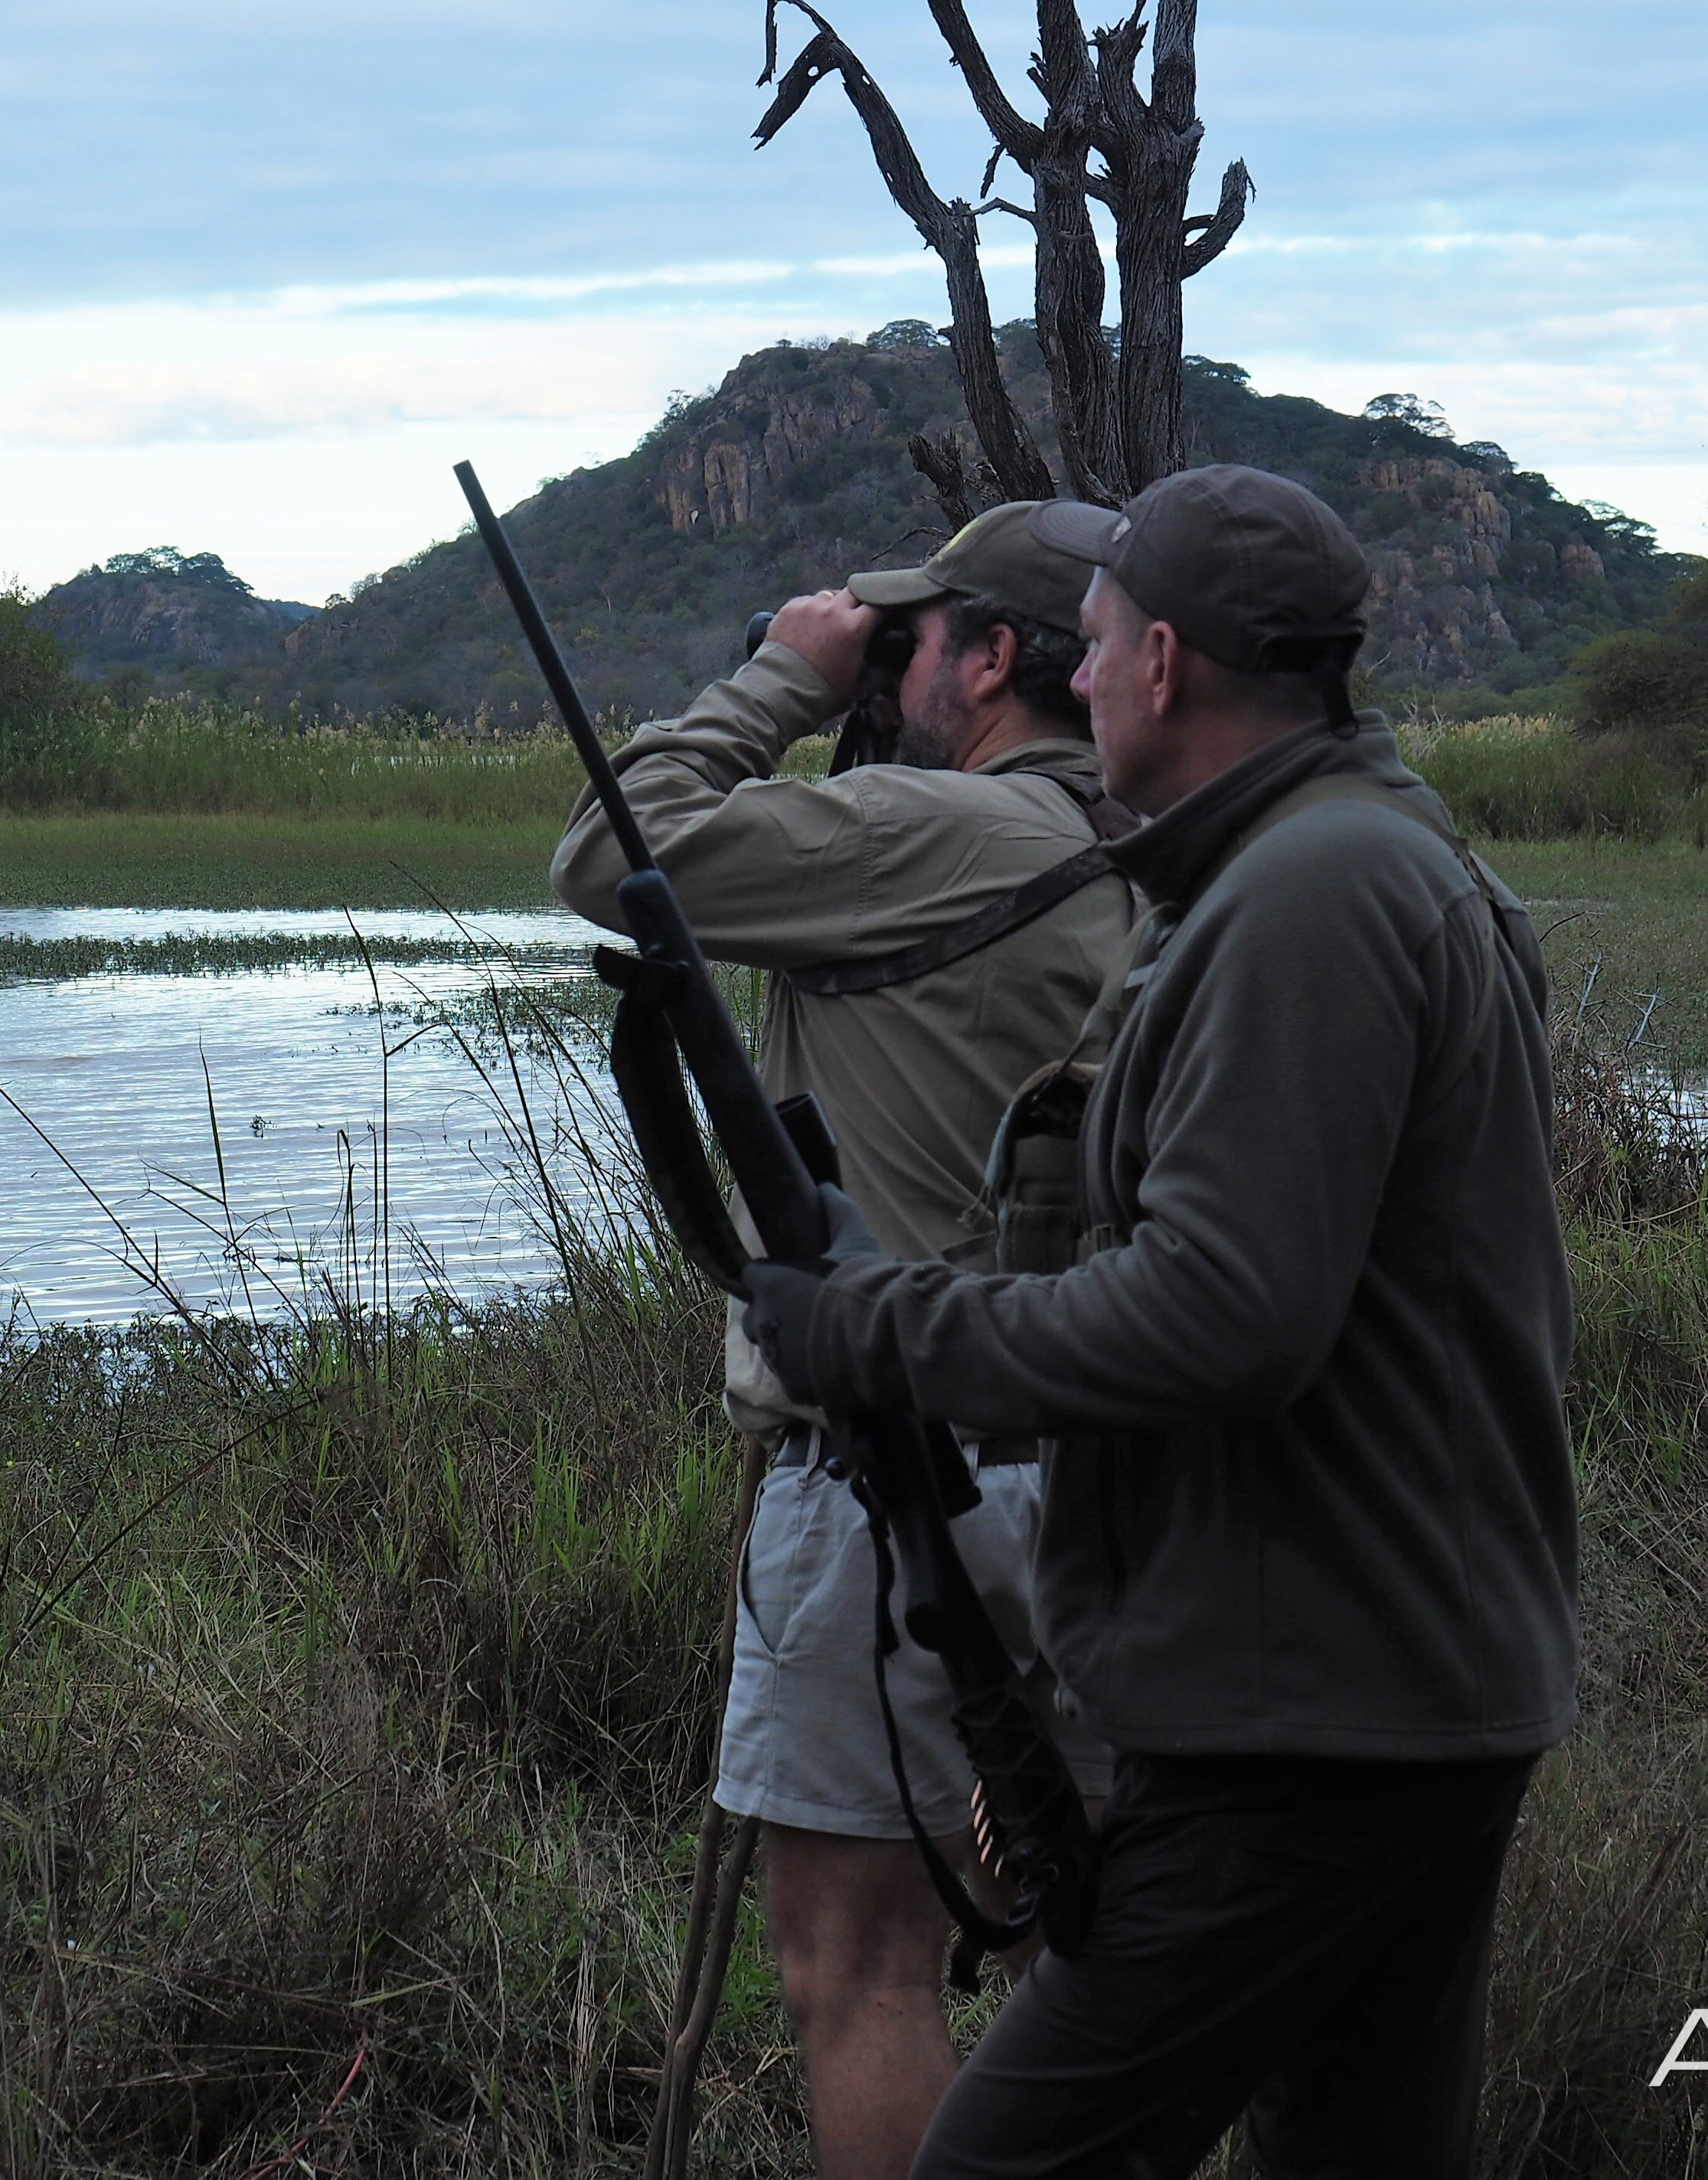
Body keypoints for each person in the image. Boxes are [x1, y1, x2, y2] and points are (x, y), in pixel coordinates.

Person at [738, 463, 1580, 2180]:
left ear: (1168, 665)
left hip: (1316, 1722)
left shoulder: (1316, 895)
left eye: (1102, 643)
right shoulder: (1335, 863)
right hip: (1387, 1688)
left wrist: (874, 1330)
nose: (1089, 674)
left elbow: (1227, 1319)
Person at [551, 502, 1136, 2180]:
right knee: (1079, 1960)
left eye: (910, 645)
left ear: (995, 657)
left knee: (860, 1966)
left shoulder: (927, 832)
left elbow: (613, 853)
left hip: (897, 1469)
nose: (891, 677)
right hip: (1121, 1457)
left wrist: (771, 687)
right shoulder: (1182, 844)